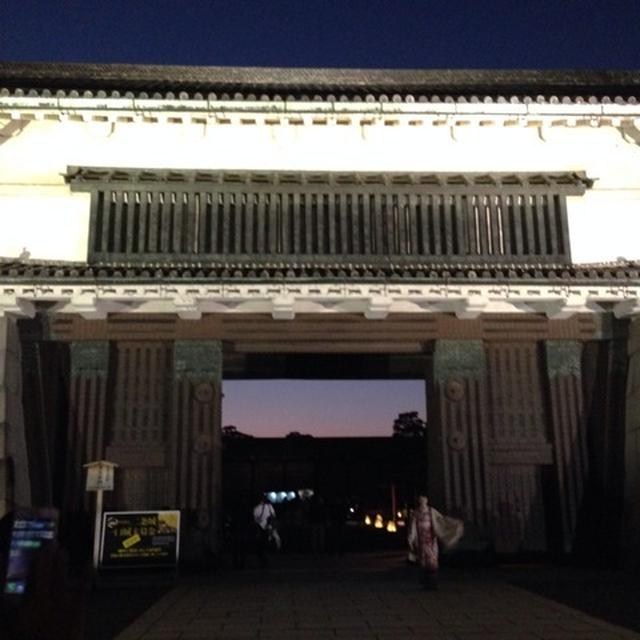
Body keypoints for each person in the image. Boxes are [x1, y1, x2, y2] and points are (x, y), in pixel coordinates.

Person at [407, 495, 464, 590]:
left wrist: (452, 524)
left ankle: (433, 582)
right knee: (423, 561)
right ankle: (426, 582)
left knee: (432, 560)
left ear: (426, 501)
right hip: (421, 540)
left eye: (424, 500)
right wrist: (411, 538)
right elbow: (413, 527)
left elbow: (440, 519)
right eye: (421, 500)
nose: (422, 502)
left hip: (430, 539)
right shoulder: (416, 513)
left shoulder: (431, 511)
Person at [253, 494, 280, 566]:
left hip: (261, 528)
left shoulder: (256, 508)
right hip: (270, 527)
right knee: (270, 542)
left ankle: (264, 560)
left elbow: (255, 520)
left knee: (261, 545)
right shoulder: (270, 507)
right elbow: (274, 516)